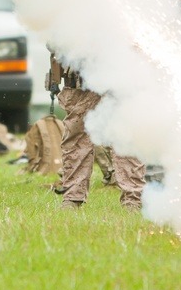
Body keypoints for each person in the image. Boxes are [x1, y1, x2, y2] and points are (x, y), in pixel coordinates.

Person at [50, 52, 145, 211]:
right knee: (76, 132)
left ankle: (133, 200)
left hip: (121, 62)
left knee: (126, 132)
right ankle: (72, 198)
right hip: (80, 67)